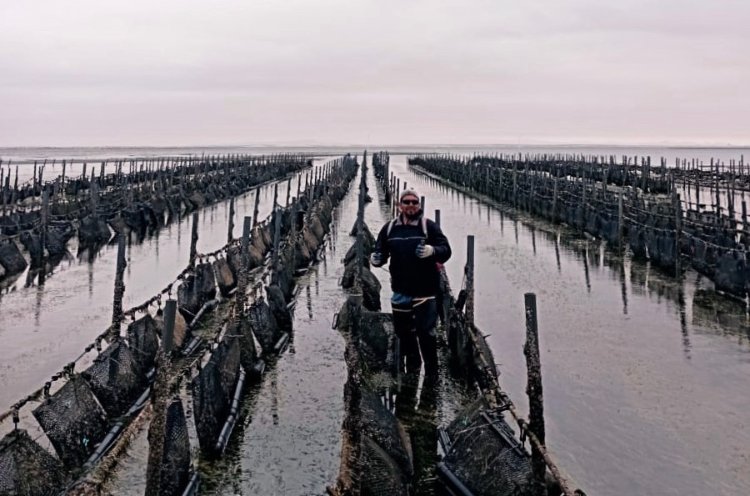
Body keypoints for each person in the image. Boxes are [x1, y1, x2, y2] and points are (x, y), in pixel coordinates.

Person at [370, 188, 451, 376]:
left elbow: (446, 250)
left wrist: (433, 251)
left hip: (426, 290)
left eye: (414, 202)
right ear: (400, 205)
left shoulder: (428, 227)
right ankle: (413, 368)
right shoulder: (389, 229)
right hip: (400, 290)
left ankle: (432, 373)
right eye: (406, 202)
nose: (411, 205)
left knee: (426, 333)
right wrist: (376, 260)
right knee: (404, 333)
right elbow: (380, 251)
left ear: (419, 205)